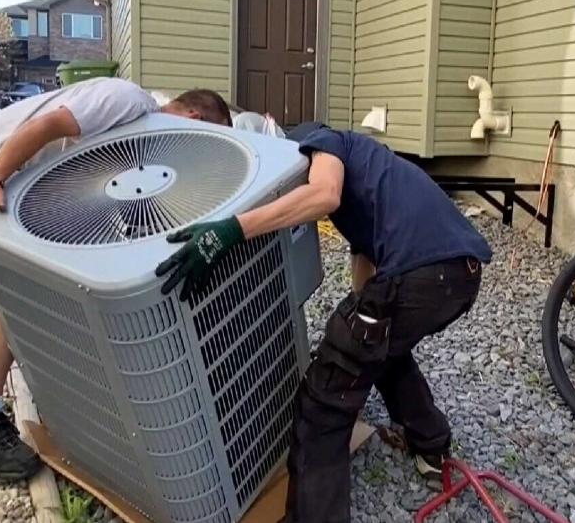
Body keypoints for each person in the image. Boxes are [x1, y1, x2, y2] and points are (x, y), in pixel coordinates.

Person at [154, 122, 493, 522]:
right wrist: (354, 332)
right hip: (460, 278)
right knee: (379, 348)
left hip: (421, 274)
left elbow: (323, 194)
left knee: (323, 402)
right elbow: (365, 275)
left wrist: (232, 229)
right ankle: (431, 447)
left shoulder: (321, 140)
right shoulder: (373, 177)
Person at [0, 76, 234, 482]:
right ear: (195, 118)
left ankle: (47, 399)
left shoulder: (142, 137)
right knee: (17, 293)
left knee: (44, 290)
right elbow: (45, 126)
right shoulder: (128, 100)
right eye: (202, 141)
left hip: (34, 183)